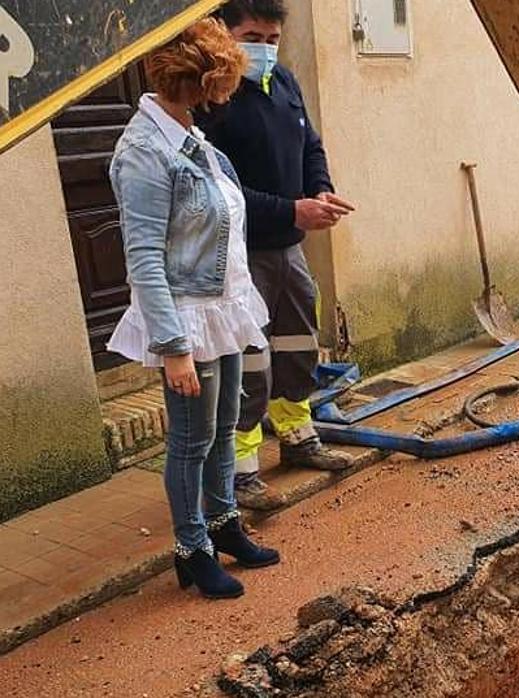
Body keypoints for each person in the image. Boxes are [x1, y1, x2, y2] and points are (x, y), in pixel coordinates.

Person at [106, 19, 280, 599]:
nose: (218, 101)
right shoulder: (143, 150)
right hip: (185, 317)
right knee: (190, 439)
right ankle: (191, 547)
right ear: (195, 80)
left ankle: (225, 522)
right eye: (215, 87)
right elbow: (145, 259)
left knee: (223, 428)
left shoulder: (189, 134)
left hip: (221, 306)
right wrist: (173, 348)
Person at [199, 0, 358, 511]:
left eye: (271, 40)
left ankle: (297, 435)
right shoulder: (211, 98)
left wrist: (322, 190)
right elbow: (219, 190)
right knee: (249, 360)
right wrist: (293, 211)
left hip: (288, 249)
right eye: (252, 37)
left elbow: (311, 145)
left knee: (297, 341)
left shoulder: (284, 83)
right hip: (240, 255)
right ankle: (242, 467)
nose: (263, 50)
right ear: (224, 34)